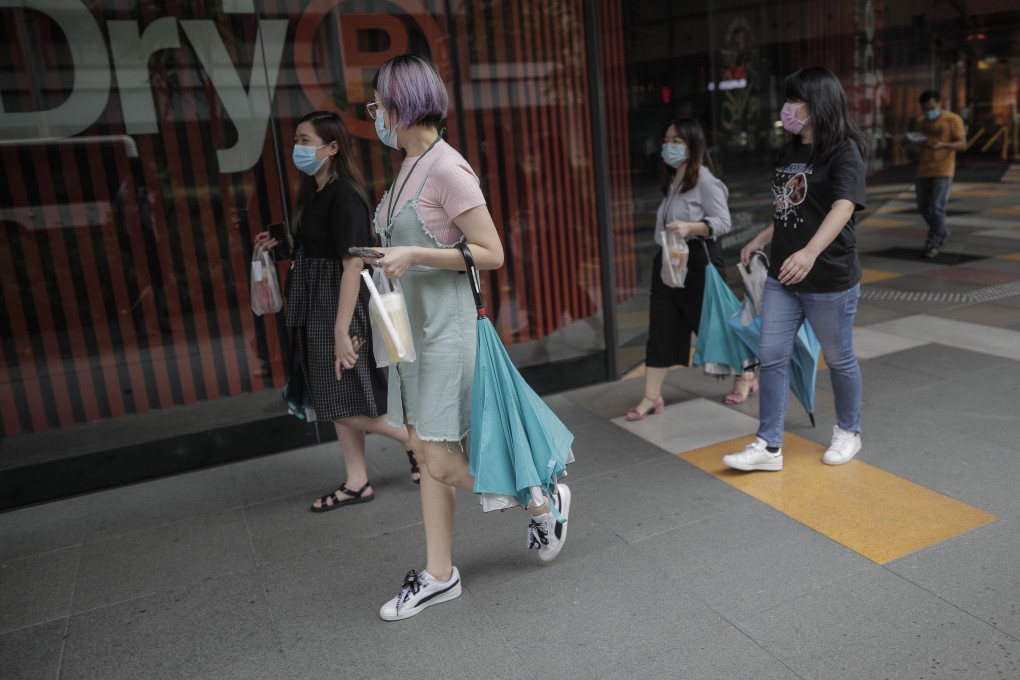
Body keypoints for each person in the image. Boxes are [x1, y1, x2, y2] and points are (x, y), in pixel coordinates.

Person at [361, 54, 571, 621]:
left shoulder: (448, 168)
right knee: (428, 456)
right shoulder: (407, 166)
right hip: (410, 336)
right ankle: (438, 574)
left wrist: (415, 254)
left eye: (377, 102)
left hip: (446, 332)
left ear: (401, 103)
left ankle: (541, 495)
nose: (373, 114)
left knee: (440, 458)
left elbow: (492, 252)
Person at [254, 111, 418, 512]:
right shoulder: (316, 192)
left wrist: (342, 330)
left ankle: (418, 442)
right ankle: (357, 480)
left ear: (332, 148)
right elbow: (322, 246)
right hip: (319, 306)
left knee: (340, 399)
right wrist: (284, 243)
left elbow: (352, 263)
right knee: (339, 397)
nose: (299, 147)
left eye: (307, 141)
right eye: (298, 139)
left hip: (339, 308)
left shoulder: (345, 195)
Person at [721, 67, 867, 472]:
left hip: (828, 278)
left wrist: (809, 253)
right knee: (770, 356)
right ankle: (768, 446)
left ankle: (848, 431)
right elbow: (793, 207)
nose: (787, 108)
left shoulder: (843, 151)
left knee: (839, 359)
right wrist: (763, 238)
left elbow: (843, 206)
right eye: (787, 100)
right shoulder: (790, 151)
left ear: (818, 103)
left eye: (794, 100)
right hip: (784, 278)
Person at [625, 117, 752, 421]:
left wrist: (689, 226)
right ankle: (650, 396)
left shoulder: (705, 180)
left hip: (698, 259)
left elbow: (723, 223)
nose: (669, 146)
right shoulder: (673, 180)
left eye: (677, 141)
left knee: (715, 325)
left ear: (693, 145)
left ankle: (744, 375)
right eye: (666, 141)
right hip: (669, 260)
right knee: (661, 328)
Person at [914, 90, 966, 258]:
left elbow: (962, 144)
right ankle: (941, 230)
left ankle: (933, 241)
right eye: (924, 109)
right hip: (923, 169)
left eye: (931, 107)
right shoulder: (921, 122)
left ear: (939, 103)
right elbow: (917, 142)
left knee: (937, 207)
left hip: (943, 170)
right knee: (923, 206)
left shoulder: (952, 119)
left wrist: (944, 145)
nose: (928, 112)